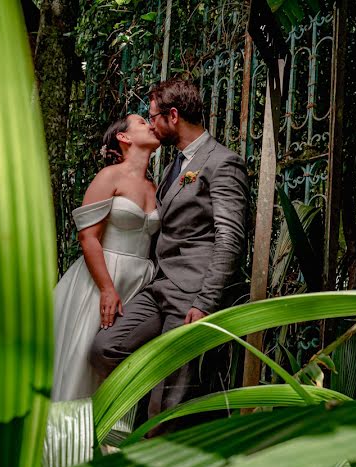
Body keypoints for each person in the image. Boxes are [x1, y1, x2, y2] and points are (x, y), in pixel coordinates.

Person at [90, 79, 249, 434]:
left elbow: (230, 237)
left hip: (192, 293)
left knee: (169, 404)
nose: (151, 124)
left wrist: (206, 301)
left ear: (173, 116)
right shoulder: (170, 168)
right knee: (105, 347)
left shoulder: (222, 163)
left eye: (153, 117)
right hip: (159, 288)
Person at [45, 114, 160, 467]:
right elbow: (87, 238)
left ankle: (109, 459)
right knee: (84, 365)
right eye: (142, 120)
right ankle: (64, 462)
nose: (151, 123)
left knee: (119, 366)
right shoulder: (109, 177)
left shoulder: (157, 187)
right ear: (124, 137)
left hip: (139, 280)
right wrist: (107, 288)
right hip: (100, 281)